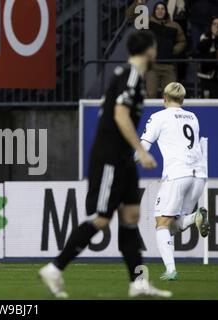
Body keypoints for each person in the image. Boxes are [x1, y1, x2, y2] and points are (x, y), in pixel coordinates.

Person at [39, 31, 172, 298]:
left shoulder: (126, 76)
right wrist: (141, 152)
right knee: (101, 219)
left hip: (122, 159)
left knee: (131, 216)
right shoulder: (131, 76)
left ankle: (138, 283)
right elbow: (120, 114)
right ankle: (55, 268)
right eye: (154, 47)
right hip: (111, 157)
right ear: (149, 50)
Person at [139, 82, 210, 280]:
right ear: (182, 99)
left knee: (161, 222)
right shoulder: (192, 117)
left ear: (164, 98)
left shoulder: (159, 117)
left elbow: (143, 147)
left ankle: (171, 271)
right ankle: (195, 217)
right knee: (175, 224)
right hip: (199, 175)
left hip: (177, 174)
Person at [146, 1, 186, 98]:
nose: (160, 11)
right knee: (151, 94)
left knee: (170, 96)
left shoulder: (174, 25)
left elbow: (182, 41)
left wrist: (173, 50)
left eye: (162, 9)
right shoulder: (147, 23)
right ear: (154, 11)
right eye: (157, 9)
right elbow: (131, 18)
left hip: (169, 66)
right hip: (152, 66)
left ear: (166, 11)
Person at [197, 17, 218, 98]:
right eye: (214, 24)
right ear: (211, 26)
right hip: (206, 74)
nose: (216, 26)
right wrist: (213, 38)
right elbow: (201, 48)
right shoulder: (205, 36)